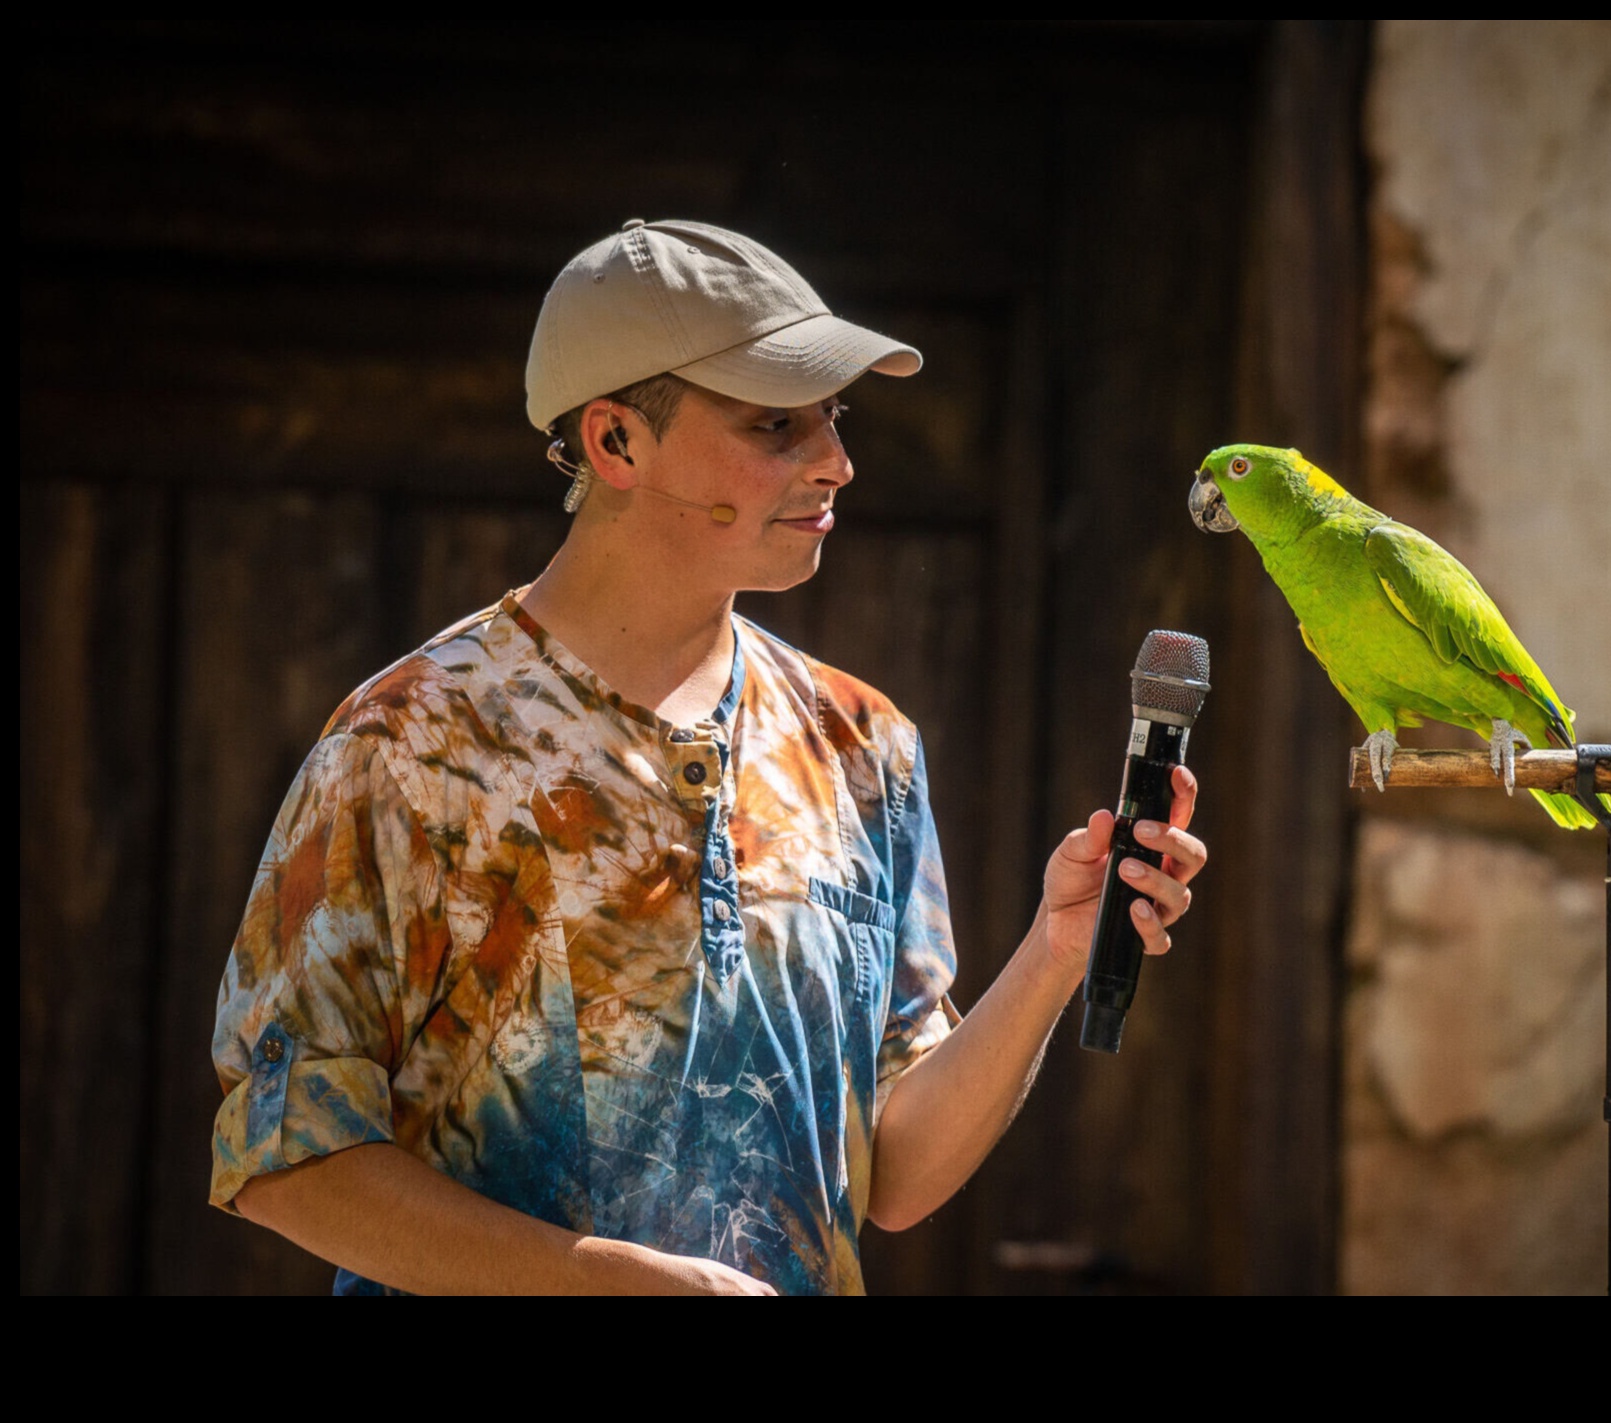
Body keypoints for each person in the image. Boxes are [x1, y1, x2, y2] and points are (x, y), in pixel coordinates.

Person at [208, 218, 1207, 1295]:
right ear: (615, 444)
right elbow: (284, 1160)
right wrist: (603, 1283)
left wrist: (1055, 953)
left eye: (834, 416)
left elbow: (899, 1175)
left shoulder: (865, 742)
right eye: (777, 423)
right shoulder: (409, 740)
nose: (837, 460)